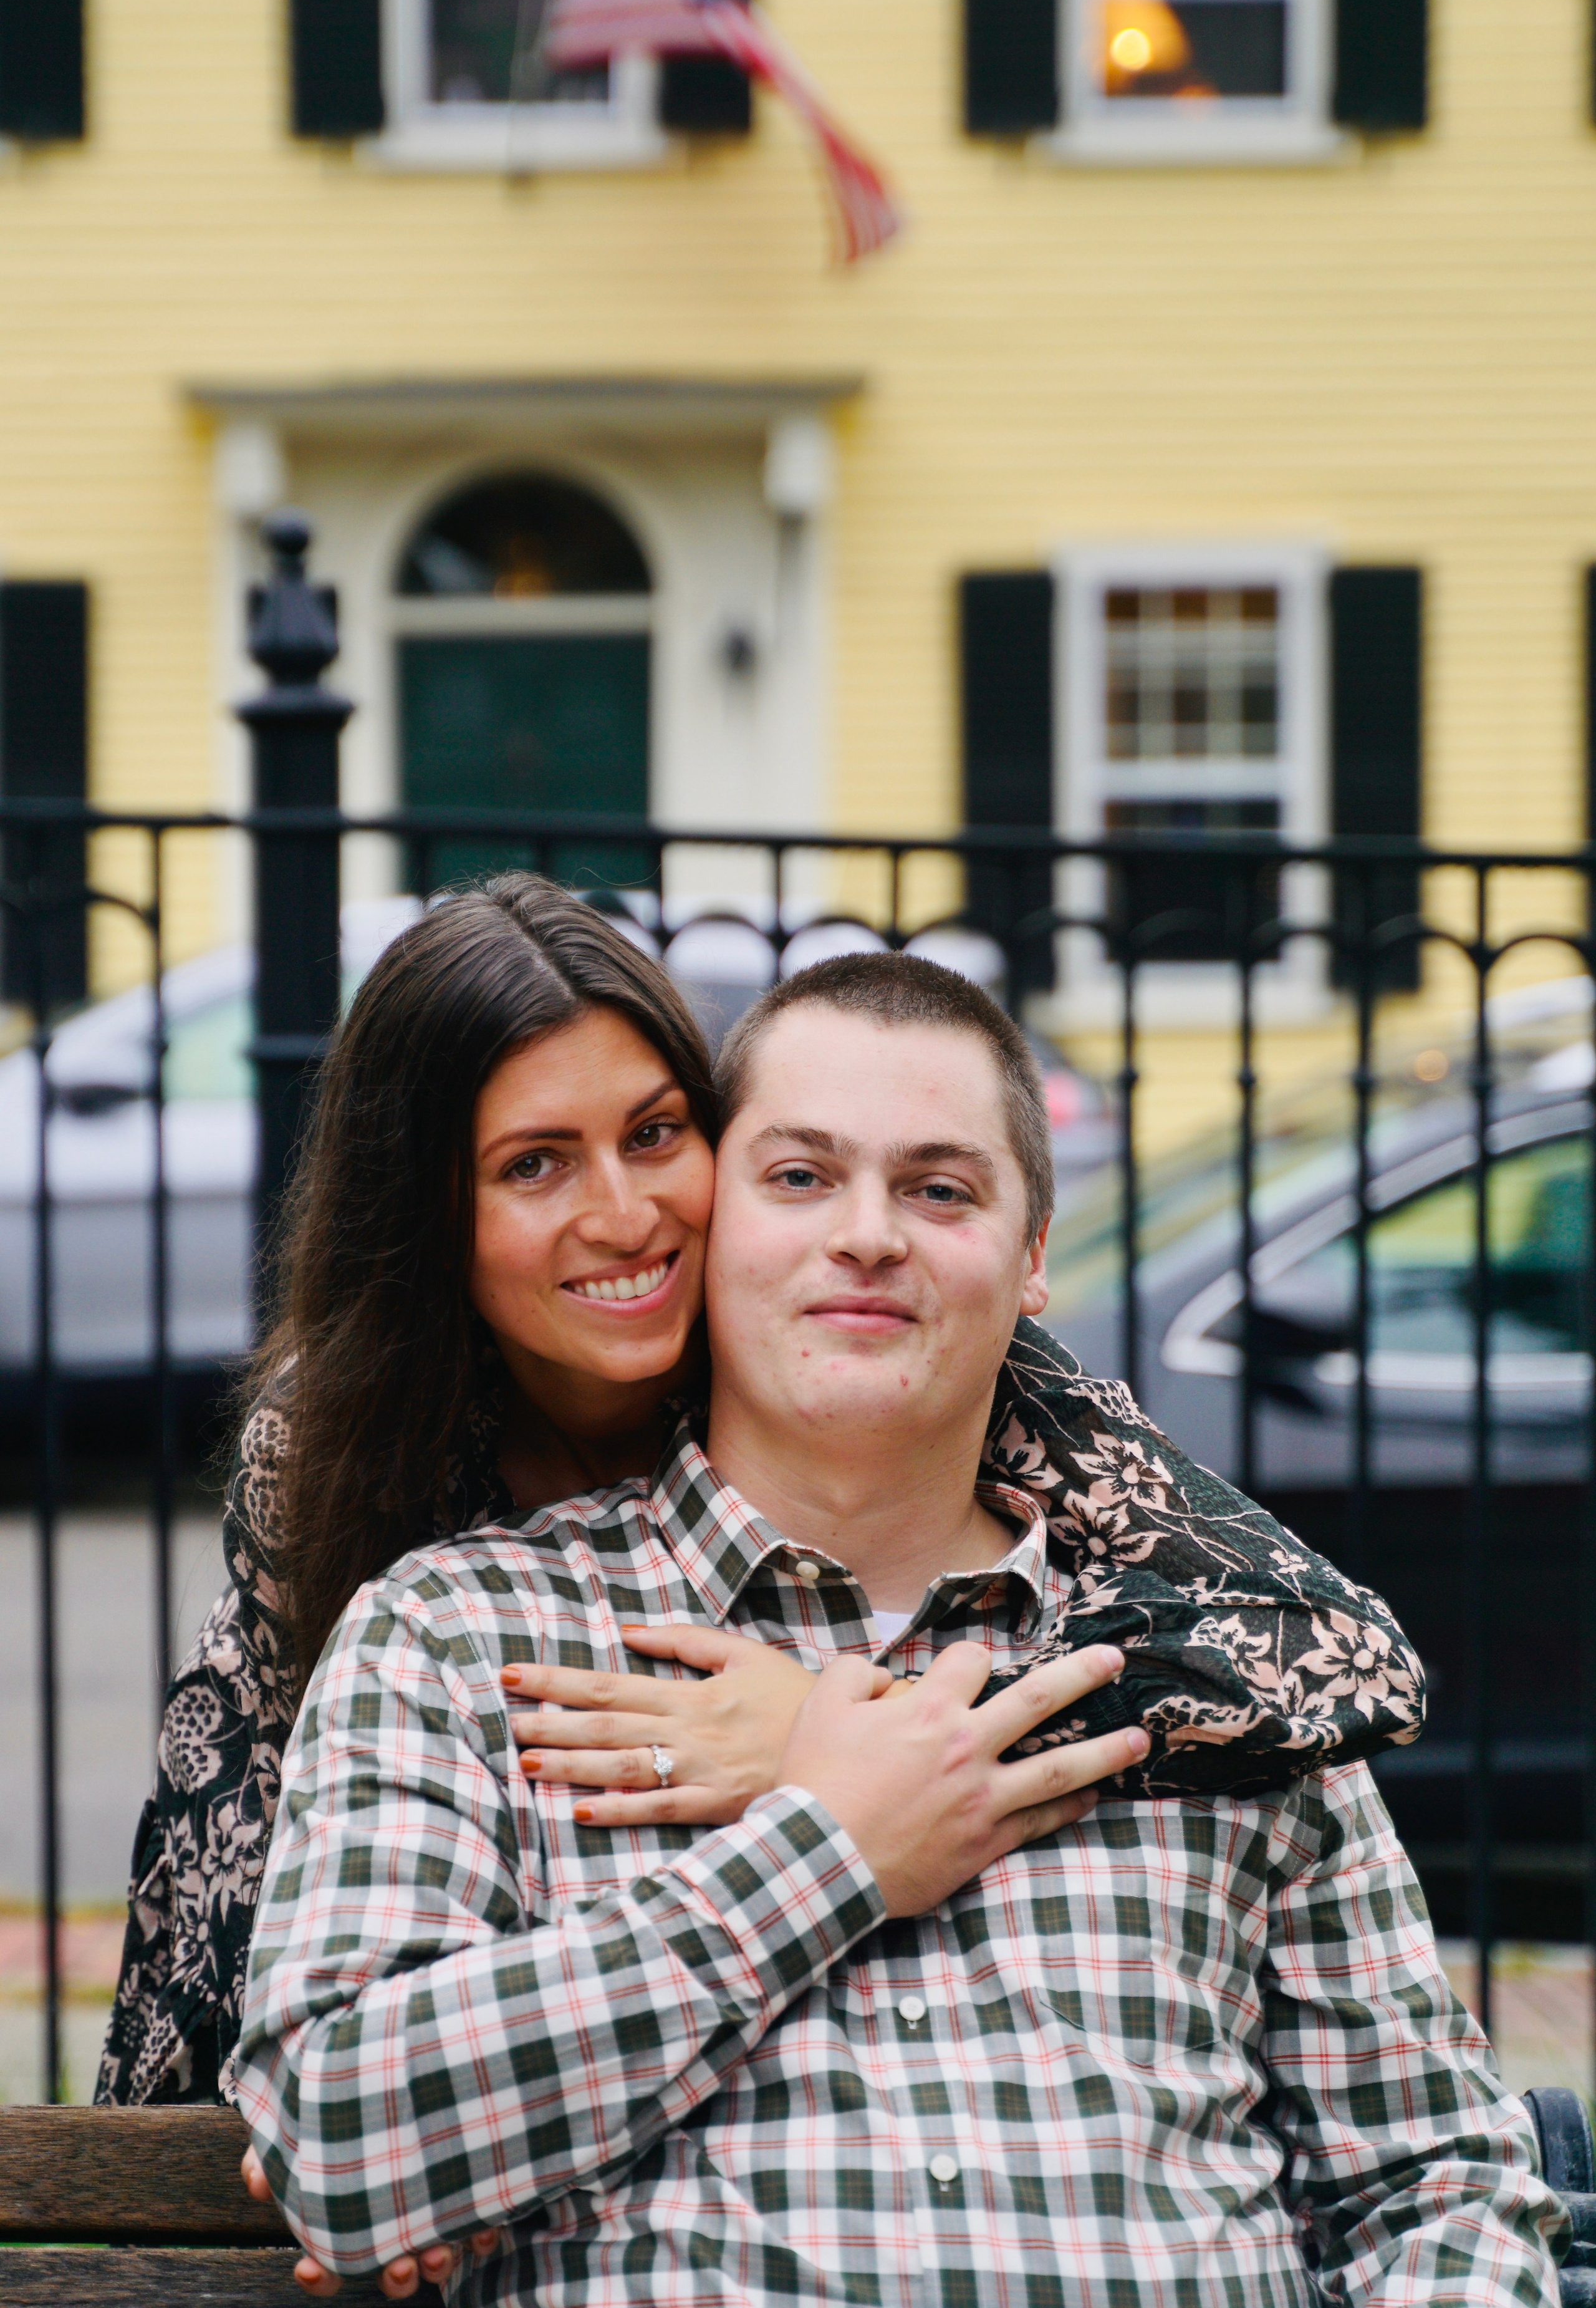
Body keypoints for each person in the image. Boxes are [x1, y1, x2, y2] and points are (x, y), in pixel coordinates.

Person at [234, 952, 1554, 2308]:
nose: (867, 1233)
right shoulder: (465, 1634)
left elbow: (1439, 2183)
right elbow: (339, 2144)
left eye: (939, 1188)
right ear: (714, 1230)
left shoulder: (1215, 1674)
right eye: (799, 1176)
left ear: (1031, 1254)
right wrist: (829, 1853)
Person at [99, 877, 1424, 2129]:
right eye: (534, 1164)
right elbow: (243, 1865)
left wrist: (848, 1726)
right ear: (432, 1216)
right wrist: (310, 2184)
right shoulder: (347, 1455)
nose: (624, 1214)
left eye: (654, 1133)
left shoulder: (899, 1354)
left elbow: (1338, 1659)